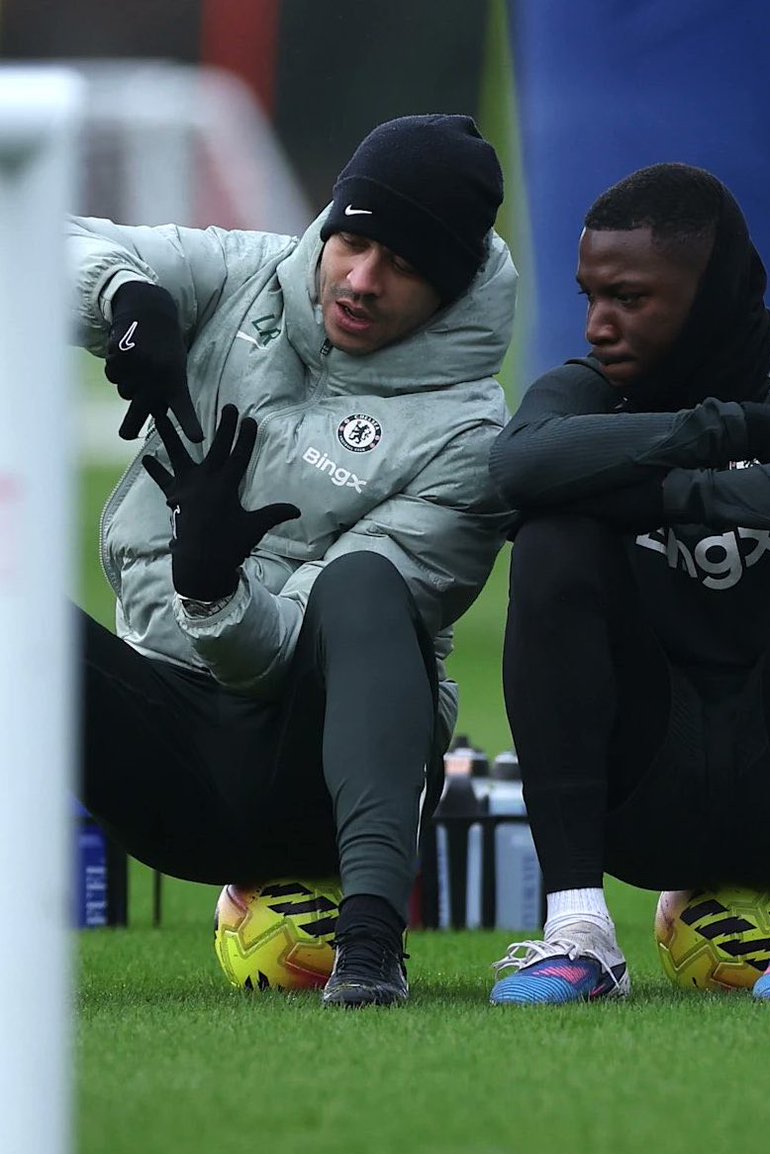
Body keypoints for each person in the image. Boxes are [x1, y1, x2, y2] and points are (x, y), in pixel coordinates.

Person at [70, 113, 516, 1007]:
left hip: (316, 781)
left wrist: (215, 589)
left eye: (403, 263)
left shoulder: (472, 436)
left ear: (454, 285)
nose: (361, 278)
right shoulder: (242, 274)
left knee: (363, 585)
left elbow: (301, 649)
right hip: (171, 750)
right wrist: (126, 298)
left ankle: (370, 949)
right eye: (352, 239)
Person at [486, 163, 770, 1005]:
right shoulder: (596, 390)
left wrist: (683, 493)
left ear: (713, 289)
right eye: (589, 295)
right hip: (644, 801)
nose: (597, 325)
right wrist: (706, 433)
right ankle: (577, 933)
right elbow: (515, 463)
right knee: (550, 538)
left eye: (628, 297)